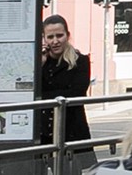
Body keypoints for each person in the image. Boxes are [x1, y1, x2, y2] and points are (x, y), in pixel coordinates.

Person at [35, 15, 92, 147]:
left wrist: (43, 97)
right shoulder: (41, 62)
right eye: (50, 37)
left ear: (67, 35)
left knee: (78, 162)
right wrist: (40, 65)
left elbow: (78, 93)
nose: (55, 41)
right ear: (44, 38)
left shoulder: (80, 61)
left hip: (73, 130)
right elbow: (32, 92)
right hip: (45, 133)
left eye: (59, 35)